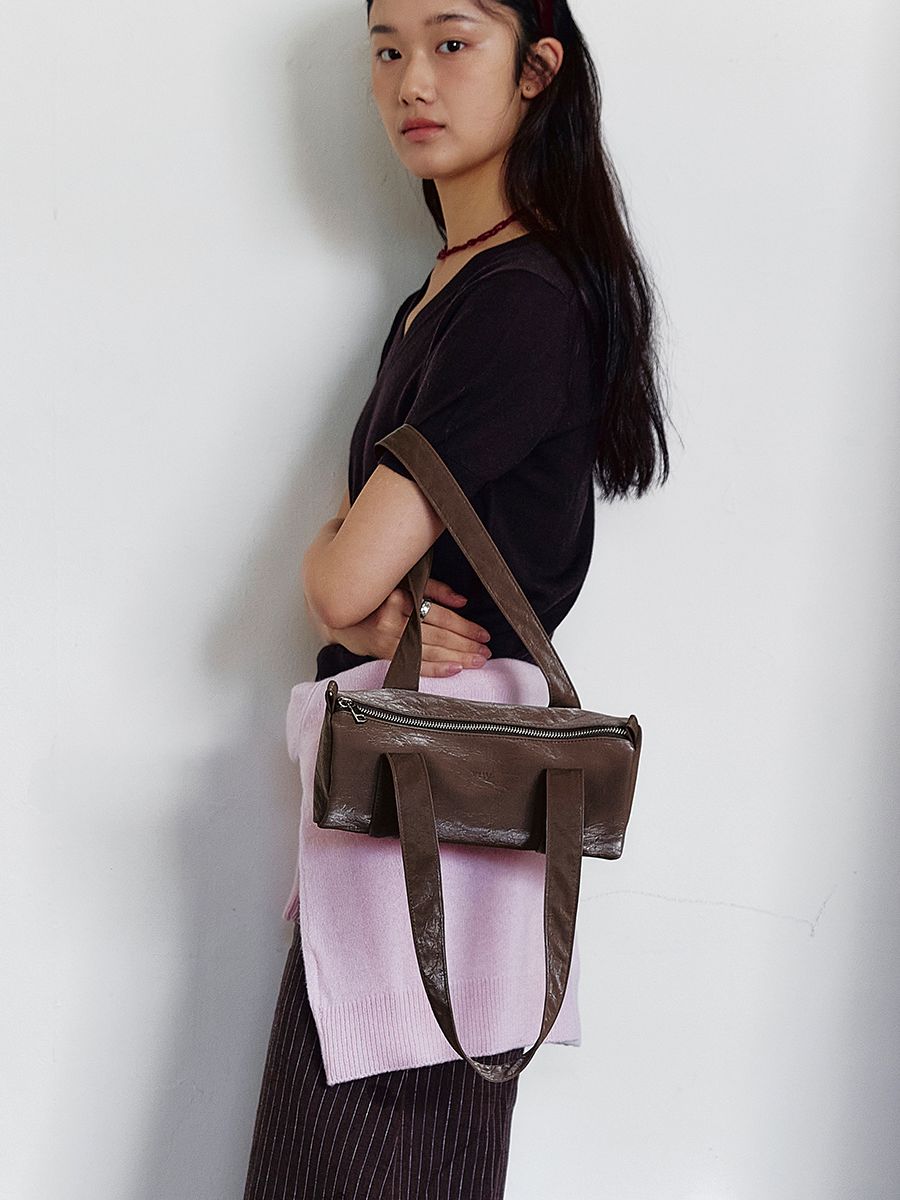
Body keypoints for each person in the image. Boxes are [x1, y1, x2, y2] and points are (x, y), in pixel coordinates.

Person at [243, 1, 673, 1197]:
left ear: (539, 69)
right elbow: (354, 572)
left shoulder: (520, 299)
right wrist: (354, 599)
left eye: (450, 42)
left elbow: (342, 572)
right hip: (408, 824)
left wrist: (340, 594)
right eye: (385, 50)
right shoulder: (452, 289)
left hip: (434, 832)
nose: (410, 82)